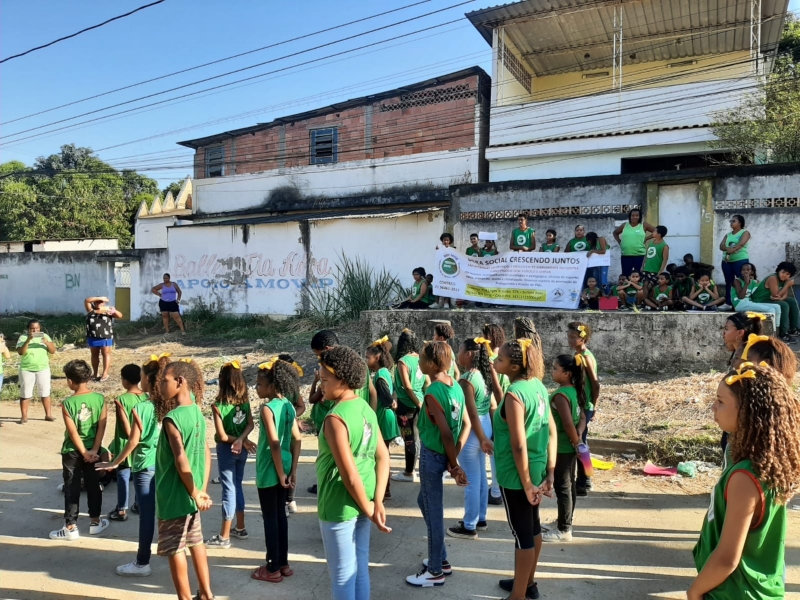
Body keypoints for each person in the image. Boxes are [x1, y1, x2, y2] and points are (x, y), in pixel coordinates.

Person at [688, 363, 800, 600]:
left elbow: (727, 558)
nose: (713, 407)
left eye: (720, 401)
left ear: (748, 411)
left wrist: (695, 591)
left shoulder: (745, 478)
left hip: (735, 592)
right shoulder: (767, 464)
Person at [316, 345, 391, 600]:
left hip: (338, 504)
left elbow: (348, 475)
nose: (321, 386)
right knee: (359, 569)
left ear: (342, 380)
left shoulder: (335, 419)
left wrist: (371, 508)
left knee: (342, 576)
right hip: (365, 497)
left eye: (325, 380)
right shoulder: (365, 407)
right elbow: (383, 457)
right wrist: (376, 502)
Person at [492, 339, 556, 600]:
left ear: (514, 366)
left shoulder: (515, 394)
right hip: (537, 468)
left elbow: (518, 444)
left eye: (500, 359)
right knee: (533, 527)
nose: (495, 361)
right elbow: (551, 431)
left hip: (517, 474)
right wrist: (550, 472)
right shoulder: (537, 385)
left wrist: (526, 483)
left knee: (522, 535)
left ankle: (518, 595)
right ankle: (527, 582)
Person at [96, 355, 170, 577]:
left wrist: (115, 461)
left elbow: (133, 440)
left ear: (147, 379)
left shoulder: (143, 407)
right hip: (164, 464)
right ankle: (173, 551)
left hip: (145, 465)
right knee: (169, 511)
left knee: (147, 515)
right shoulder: (170, 404)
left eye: (143, 376)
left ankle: (142, 561)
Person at [406, 341, 469, 588]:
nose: (418, 363)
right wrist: (453, 459)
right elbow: (465, 425)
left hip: (433, 454)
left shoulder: (432, 392)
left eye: (421, 360)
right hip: (444, 455)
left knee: (433, 512)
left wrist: (454, 464)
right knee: (424, 501)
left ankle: (434, 570)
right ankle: (440, 557)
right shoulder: (456, 386)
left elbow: (445, 432)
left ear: (432, 364)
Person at [155, 360, 215, 600]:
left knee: (175, 548)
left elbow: (181, 460)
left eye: (164, 381)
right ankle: (207, 593)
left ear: (180, 382)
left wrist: (193, 492)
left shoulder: (172, 419)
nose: (160, 386)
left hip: (174, 495)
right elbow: (206, 451)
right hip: (193, 494)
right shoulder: (196, 412)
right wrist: (201, 490)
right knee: (195, 541)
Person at [251, 357, 302, 583]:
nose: (256, 388)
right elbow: (297, 439)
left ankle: (272, 568)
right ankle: (283, 563)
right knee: (281, 515)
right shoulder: (289, 405)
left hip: (269, 468)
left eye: (259, 384)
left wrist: (280, 473)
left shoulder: (267, 408)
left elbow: (273, 443)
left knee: (270, 518)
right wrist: (292, 470)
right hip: (287, 464)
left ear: (272, 386)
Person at [49, 359, 109, 541]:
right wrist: (94, 450)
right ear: (89, 377)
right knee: (93, 485)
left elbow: (72, 431)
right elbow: (102, 426)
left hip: (72, 451)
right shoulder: (100, 399)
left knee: (71, 487)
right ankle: (95, 522)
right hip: (94, 451)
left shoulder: (67, 403)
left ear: (70, 381)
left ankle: (70, 527)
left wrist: (83, 452)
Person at [447, 337, 495, 541]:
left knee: (471, 479)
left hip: (475, 430)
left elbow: (471, 413)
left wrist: (482, 438)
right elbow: (490, 405)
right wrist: (486, 435)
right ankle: (480, 518)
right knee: (480, 476)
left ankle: (469, 526)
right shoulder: (483, 375)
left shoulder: (467, 380)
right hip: (484, 425)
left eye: (459, 350)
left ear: (468, 354)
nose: (457, 354)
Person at [205, 361, 255, 549]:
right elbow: (250, 424)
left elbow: (223, 436)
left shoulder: (218, 405)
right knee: (237, 486)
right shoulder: (244, 402)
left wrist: (238, 440)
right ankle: (240, 527)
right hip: (241, 450)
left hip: (227, 450)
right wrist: (243, 440)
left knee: (228, 490)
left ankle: (224, 536)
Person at [542, 354, 587, 543]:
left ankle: (564, 529)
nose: (551, 371)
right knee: (570, 485)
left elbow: (567, 424)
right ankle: (565, 520)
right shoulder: (575, 391)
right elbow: (582, 418)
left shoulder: (560, 396)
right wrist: (578, 436)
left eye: (555, 368)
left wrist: (576, 443)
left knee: (562, 487)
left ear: (567, 373)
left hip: (561, 447)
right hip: (571, 445)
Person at [108, 364, 148, 523]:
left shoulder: (121, 400)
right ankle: (138, 504)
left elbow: (126, 428)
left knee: (123, 476)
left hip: (126, 444)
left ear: (125, 381)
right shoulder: (147, 397)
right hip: (143, 443)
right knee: (139, 475)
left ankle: (121, 509)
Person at [366, 337, 401, 499]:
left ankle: (384, 490)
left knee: (381, 456)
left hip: (383, 417)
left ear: (377, 357)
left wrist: (391, 402)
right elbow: (393, 393)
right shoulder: (386, 372)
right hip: (387, 416)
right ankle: (385, 489)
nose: (366, 360)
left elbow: (386, 398)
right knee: (384, 454)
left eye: (368, 357)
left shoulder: (379, 375)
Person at [392, 328, 428, 483]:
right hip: (419, 401)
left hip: (406, 406)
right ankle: (414, 469)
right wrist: (422, 402)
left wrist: (416, 403)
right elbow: (427, 382)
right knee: (416, 437)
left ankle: (409, 473)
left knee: (408, 437)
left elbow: (407, 387)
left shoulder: (403, 361)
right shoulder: (420, 358)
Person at [307, 330, 340, 495]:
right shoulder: (353, 366)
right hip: (329, 420)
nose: (319, 359)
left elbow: (314, 398)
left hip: (331, 421)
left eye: (319, 355)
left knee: (330, 455)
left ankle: (326, 484)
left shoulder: (333, 370)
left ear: (327, 349)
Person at [568, 322, 598, 496]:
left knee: (581, 443)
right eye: (569, 336)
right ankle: (584, 479)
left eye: (574, 337)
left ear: (583, 338)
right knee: (581, 442)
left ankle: (585, 480)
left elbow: (595, 384)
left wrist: (593, 406)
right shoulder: (578, 355)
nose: (570, 340)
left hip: (585, 405)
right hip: (581, 404)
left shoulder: (586, 357)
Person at [482, 323, 508, 507]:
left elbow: (492, 390)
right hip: (505, 407)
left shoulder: (490, 360)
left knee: (494, 452)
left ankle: (496, 491)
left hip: (495, 409)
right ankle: (499, 489)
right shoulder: (505, 356)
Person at [16, 319, 56, 423]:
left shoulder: (45, 336)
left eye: (37, 328)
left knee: (45, 392)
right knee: (25, 393)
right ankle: (24, 416)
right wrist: (28, 340)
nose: (35, 330)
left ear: (40, 328)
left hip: (43, 368)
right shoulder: (23, 337)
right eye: (32, 329)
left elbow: (53, 351)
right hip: (27, 369)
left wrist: (47, 343)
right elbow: (20, 352)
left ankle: (48, 415)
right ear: (28, 329)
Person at [748, 261, 799, 342]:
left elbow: (785, 295)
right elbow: (775, 295)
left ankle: (793, 328)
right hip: (760, 300)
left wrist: (780, 299)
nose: (784, 275)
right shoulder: (773, 278)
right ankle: (783, 333)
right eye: (783, 272)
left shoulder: (785, 280)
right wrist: (787, 285)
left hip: (770, 299)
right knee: (784, 305)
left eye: (787, 274)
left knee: (792, 301)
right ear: (778, 271)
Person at [84, 296, 123, 382]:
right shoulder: (90, 310)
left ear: (104, 303)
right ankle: (95, 373)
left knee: (106, 354)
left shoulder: (108, 311)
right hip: (92, 336)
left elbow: (120, 315)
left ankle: (105, 373)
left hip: (105, 337)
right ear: (94, 302)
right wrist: (101, 298)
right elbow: (87, 300)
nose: (99, 303)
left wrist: (113, 311)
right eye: (97, 301)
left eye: (101, 302)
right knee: (94, 355)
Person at [719, 214, 751, 306]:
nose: (731, 223)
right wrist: (727, 249)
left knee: (743, 280)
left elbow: (741, 243)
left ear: (740, 223)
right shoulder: (728, 235)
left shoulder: (745, 233)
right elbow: (721, 246)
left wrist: (731, 250)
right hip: (727, 262)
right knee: (729, 282)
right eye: (731, 221)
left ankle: (744, 301)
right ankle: (729, 303)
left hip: (740, 260)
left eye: (734, 221)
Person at [613, 208, 655, 277]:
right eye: (632, 215)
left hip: (640, 255)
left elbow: (657, 231)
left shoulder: (643, 225)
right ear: (630, 216)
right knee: (626, 275)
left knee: (639, 275)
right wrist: (619, 242)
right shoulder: (624, 225)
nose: (634, 217)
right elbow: (615, 233)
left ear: (639, 216)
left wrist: (647, 238)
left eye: (637, 215)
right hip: (626, 255)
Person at [641, 226, 669, 298]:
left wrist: (660, 271)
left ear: (659, 234)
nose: (652, 232)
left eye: (654, 231)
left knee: (652, 287)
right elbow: (646, 255)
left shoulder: (664, 246)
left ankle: (651, 300)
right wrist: (642, 265)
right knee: (645, 285)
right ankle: (645, 300)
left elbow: (665, 259)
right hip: (647, 268)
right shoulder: (651, 242)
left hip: (655, 270)